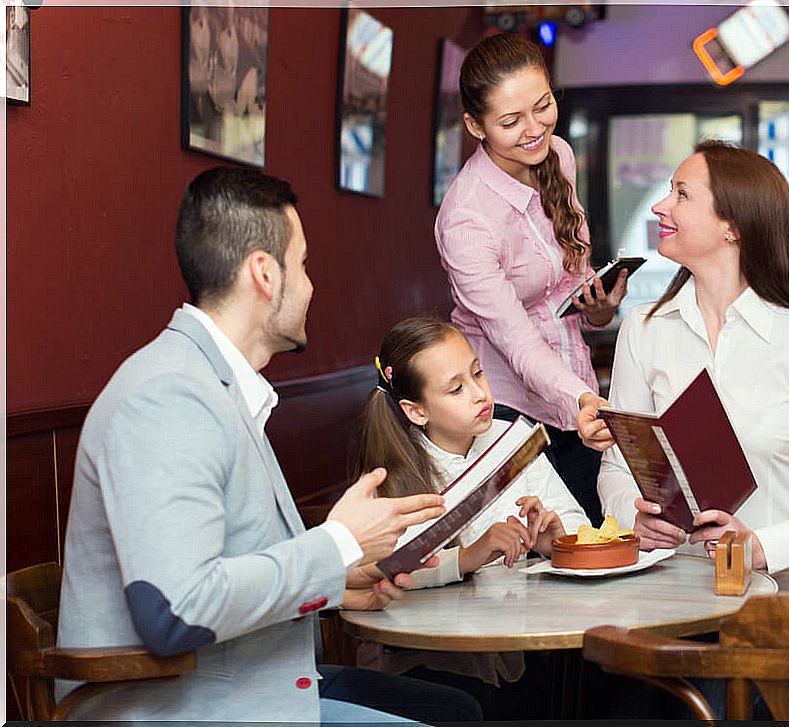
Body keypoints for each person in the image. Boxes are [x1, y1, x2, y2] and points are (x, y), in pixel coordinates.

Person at [55, 167, 482, 724]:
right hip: (185, 709)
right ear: (264, 273)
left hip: (241, 687)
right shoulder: (167, 396)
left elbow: (224, 564)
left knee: (457, 710)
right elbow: (177, 612)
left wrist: (334, 579)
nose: (309, 284)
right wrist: (336, 546)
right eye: (301, 264)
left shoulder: (214, 385)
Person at [579, 140, 789, 593]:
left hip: (781, 614)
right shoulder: (643, 330)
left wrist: (759, 547)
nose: (661, 206)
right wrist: (633, 518)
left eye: (681, 194)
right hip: (670, 603)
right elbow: (618, 470)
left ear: (732, 227)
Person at [434, 33, 628, 525]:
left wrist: (599, 310)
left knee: (591, 538)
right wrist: (581, 398)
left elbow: (567, 292)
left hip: (574, 396)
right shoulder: (467, 219)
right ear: (474, 125)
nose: (534, 129)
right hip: (505, 411)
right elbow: (516, 339)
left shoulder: (557, 155)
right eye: (510, 121)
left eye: (543, 106)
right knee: (530, 559)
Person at [353, 316, 589, 719]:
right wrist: (470, 556)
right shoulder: (394, 471)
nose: (480, 393)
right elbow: (386, 569)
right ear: (416, 410)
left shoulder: (512, 438)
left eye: (478, 373)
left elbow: (576, 522)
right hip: (431, 657)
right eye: (456, 388)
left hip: (522, 638)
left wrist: (555, 539)